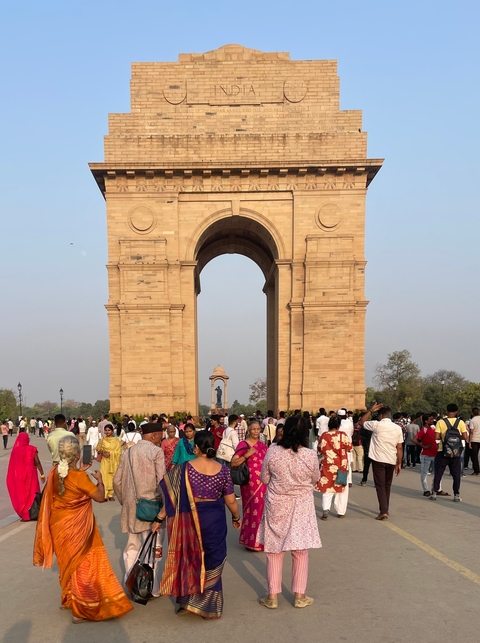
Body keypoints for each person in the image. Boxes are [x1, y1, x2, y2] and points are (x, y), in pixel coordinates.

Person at [34, 435, 132, 623]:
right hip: (77, 527)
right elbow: (101, 497)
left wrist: (80, 471)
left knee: (69, 563)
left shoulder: (55, 472)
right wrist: (100, 480)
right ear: (77, 454)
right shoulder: (78, 477)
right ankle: (82, 610)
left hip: (59, 526)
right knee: (83, 565)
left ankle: (71, 598)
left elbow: (66, 487)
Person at [158, 430, 240, 619]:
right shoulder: (224, 471)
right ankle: (208, 606)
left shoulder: (184, 468)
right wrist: (236, 517)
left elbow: (171, 495)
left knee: (189, 557)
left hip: (190, 520)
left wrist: (160, 517)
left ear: (196, 447)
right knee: (213, 558)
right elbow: (231, 501)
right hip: (215, 521)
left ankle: (186, 601)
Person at [257, 415, 321, 609]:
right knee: (300, 551)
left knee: (274, 551)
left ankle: (272, 597)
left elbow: (264, 478)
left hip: (277, 504)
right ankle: (299, 596)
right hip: (302, 505)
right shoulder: (310, 455)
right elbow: (315, 478)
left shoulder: (273, 451)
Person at [113, 423, 166, 597]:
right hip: (152, 507)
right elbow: (162, 482)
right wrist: (165, 507)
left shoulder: (127, 453)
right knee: (153, 547)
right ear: (152, 436)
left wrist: (125, 501)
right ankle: (151, 587)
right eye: (160, 435)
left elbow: (116, 482)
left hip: (130, 507)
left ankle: (132, 584)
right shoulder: (156, 452)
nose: (161, 438)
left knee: (131, 547)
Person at [359, 404, 403, 520]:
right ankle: (385, 508)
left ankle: (383, 511)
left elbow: (361, 422)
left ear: (381, 415)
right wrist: (399, 463)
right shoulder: (397, 428)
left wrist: (370, 411)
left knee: (380, 485)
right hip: (391, 459)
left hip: (378, 459)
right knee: (387, 485)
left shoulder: (377, 425)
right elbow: (399, 447)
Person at [231, 420, 268, 551]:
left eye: (258, 429)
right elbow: (233, 463)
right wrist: (247, 455)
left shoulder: (263, 446)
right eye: (253, 429)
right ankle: (251, 541)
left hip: (264, 483)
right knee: (253, 509)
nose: (256, 431)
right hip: (250, 484)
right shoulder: (243, 444)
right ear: (249, 430)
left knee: (263, 511)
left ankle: (261, 541)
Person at [316, 416, 353, 519]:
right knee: (341, 488)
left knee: (327, 488)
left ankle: (325, 510)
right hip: (341, 465)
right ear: (338, 425)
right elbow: (350, 447)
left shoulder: (324, 435)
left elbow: (320, 448)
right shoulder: (342, 435)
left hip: (328, 465)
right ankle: (341, 511)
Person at [430, 404, 467, 502]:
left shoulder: (440, 422)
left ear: (446, 411)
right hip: (455, 452)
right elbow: (465, 436)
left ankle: (434, 493)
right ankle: (456, 495)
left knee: (438, 473)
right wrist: (457, 437)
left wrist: (444, 438)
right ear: (456, 411)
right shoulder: (461, 422)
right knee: (456, 474)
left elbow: (436, 437)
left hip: (442, 451)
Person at [7, 432, 45, 520]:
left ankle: (25, 514)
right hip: (31, 475)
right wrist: (42, 474)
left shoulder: (15, 451)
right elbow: (37, 462)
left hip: (19, 477)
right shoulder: (32, 449)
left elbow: (14, 465)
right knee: (32, 493)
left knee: (22, 494)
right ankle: (34, 512)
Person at [96, 423, 123, 501]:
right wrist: (102, 452)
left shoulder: (116, 441)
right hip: (105, 461)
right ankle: (104, 494)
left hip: (113, 462)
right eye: (106, 430)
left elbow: (119, 452)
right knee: (104, 476)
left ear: (112, 431)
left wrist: (111, 453)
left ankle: (111, 494)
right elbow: (98, 448)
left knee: (112, 477)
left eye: (109, 430)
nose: (107, 432)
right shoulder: (102, 440)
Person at [413, 413, 438, 496]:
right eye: (430, 419)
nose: (432, 420)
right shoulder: (424, 430)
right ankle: (426, 489)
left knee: (437, 472)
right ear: (426, 421)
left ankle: (436, 488)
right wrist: (423, 446)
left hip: (434, 453)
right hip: (426, 454)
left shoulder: (432, 429)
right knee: (424, 473)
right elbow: (415, 440)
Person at [468, 407, 480, 476]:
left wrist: (470, 441)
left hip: (475, 439)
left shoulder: (472, 420)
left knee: (474, 456)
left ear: (472, 413)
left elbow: (471, 431)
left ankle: (477, 470)